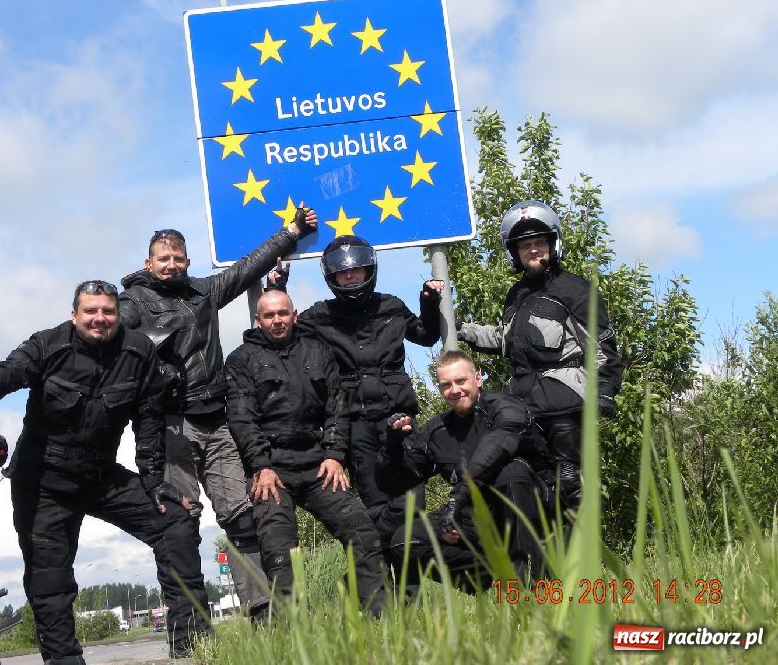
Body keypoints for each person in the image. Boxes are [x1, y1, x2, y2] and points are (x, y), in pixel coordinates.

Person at [0, 280, 210, 662]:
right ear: (74, 315)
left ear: (118, 315)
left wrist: (153, 481)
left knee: (175, 523)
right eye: (90, 311)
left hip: (100, 477)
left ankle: (192, 646)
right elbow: (9, 372)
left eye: (107, 311)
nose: (100, 319)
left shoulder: (138, 352)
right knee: (50, 584)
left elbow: (148, 420)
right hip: (43, 482)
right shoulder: (49, 344)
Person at [118, 209, 317, 614]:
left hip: (217, 420)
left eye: (178, 258)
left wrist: (292, 232)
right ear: (148, 263)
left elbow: (248, 268)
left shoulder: (203, 292)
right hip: (171, 423)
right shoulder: (132, 302)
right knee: (180, 522)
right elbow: (112, 338)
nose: (171, 265)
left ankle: (262, 610)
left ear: (188, 261)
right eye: (163, 258)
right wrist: (155, 366)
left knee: (243, 516)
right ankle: (190, 623)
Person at [267, 235, 443, 577]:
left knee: (412, 502)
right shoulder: (319, 316)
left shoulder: (391, 306)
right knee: (375, 504)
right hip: (356, 424)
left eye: (356, 270)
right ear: (331, 277)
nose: (350, 277)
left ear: (369, 270)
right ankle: (380, 584)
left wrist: (429, 302)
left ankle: (409, 587)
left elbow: (425, 335)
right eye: (342, 273)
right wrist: (277, 288)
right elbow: (282, 331)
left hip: (399, 418)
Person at [224, 290, 385, 618]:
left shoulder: (319, 351)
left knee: (363, 532)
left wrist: (334, 454)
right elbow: (242, 419)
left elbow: (337, 406)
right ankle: (293, 631)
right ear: (258, 320)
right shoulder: (241, 360)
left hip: (318, 464)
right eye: (269, 315)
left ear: (294, 316)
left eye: (283, 313)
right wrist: (260, 465)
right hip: (272, 470)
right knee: (279, 551)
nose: (277, 320)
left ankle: (376, 617)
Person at [457, 200, 623, 511]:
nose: (532, 250)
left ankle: (579, 542)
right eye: (524, 246)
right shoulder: (516, 294)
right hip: (522, 403)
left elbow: (601, 346)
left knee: (570, 486)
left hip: (564, 402)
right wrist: (462, 330)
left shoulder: (576, 290)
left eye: (539, 243)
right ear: (515, 252)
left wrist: (605, 390)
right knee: (522, 483)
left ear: (552, 244)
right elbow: (505, 339)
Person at [376, 349, 554, 587]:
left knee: (511, 471)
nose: (455, 390)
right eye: (446, 385)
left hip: (531, 510)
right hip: (475, 517)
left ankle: (530, 579)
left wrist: (456, 500)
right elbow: (394, 483)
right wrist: (392, 445)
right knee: (405, 541)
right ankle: (498, 577)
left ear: (478, 379)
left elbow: (496, 447)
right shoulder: (437, 431)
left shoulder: (506, 407)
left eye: (461, 381)